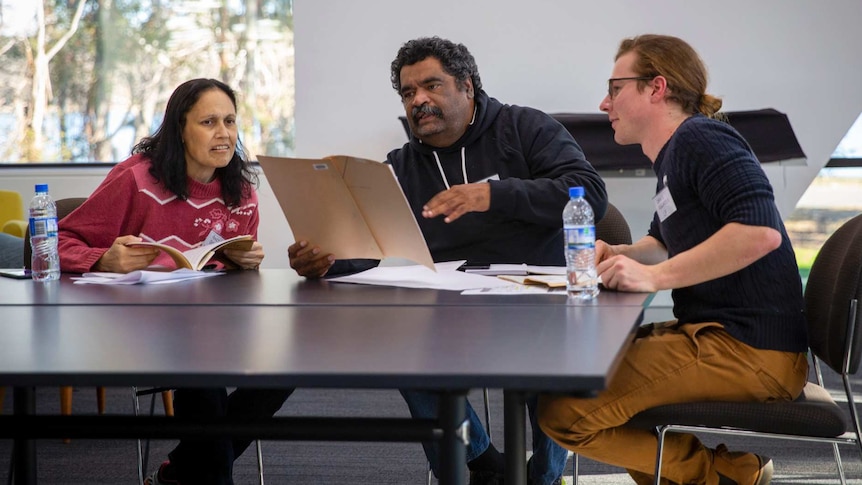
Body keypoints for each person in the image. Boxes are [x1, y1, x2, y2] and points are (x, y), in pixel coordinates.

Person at [289, 36, 608, 485]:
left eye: (431, 86)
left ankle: (544, 477)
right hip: (451, 308)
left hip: (538, 298)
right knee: (401, 348)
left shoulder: (525, 128)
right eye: (407, 92)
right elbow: (373, 247)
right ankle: (478, 463)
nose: (418, 100)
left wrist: (492, 194)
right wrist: (325, 261)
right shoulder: (400, 166)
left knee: (553, 367)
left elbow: (588, 193)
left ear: (468, 86)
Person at [537, 34, 809, 485]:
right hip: (726, 340)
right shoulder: (675, 154)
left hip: (750, 351)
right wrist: (622, 253)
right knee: (588, 388)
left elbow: (758, 234)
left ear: (656, 88)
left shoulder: (702, 138)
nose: (605, 103)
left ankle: (720, 477)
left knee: (565, 410)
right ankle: (730, 472)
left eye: (615, 87)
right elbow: (663, 241)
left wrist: (652, 277)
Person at [58, 78, 293, 485]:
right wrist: (102, 259)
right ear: (179, 129)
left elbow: (236, 271)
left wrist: (245, 262)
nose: (224, 133)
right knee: (204, 376)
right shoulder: (135, 180)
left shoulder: (241, 192)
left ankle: (181, 472)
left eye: (230, 121)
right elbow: (57, 240)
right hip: (139, 326)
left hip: (215, 323)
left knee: (287, 367)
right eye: (208, 122)